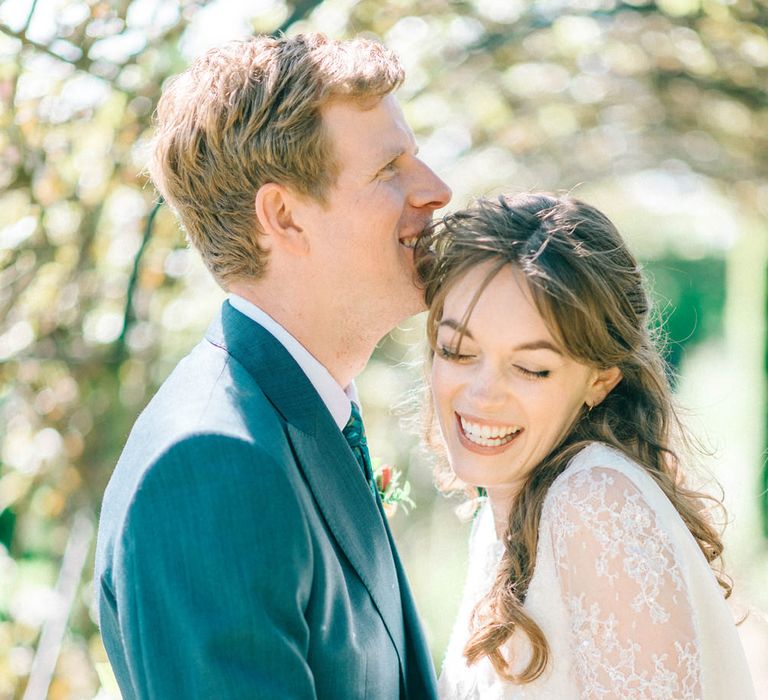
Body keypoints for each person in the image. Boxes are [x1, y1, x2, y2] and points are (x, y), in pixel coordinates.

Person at [94, 33, 451, 699]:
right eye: (389, 170)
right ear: (283, 216)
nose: (436, 189)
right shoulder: (209, 465)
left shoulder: (303, 412)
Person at [415, 193, 755, 699]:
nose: (483, 394)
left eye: (531, 367)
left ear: (600, 380)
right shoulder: (507, 515)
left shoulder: (594, 503)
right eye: (457, 350)